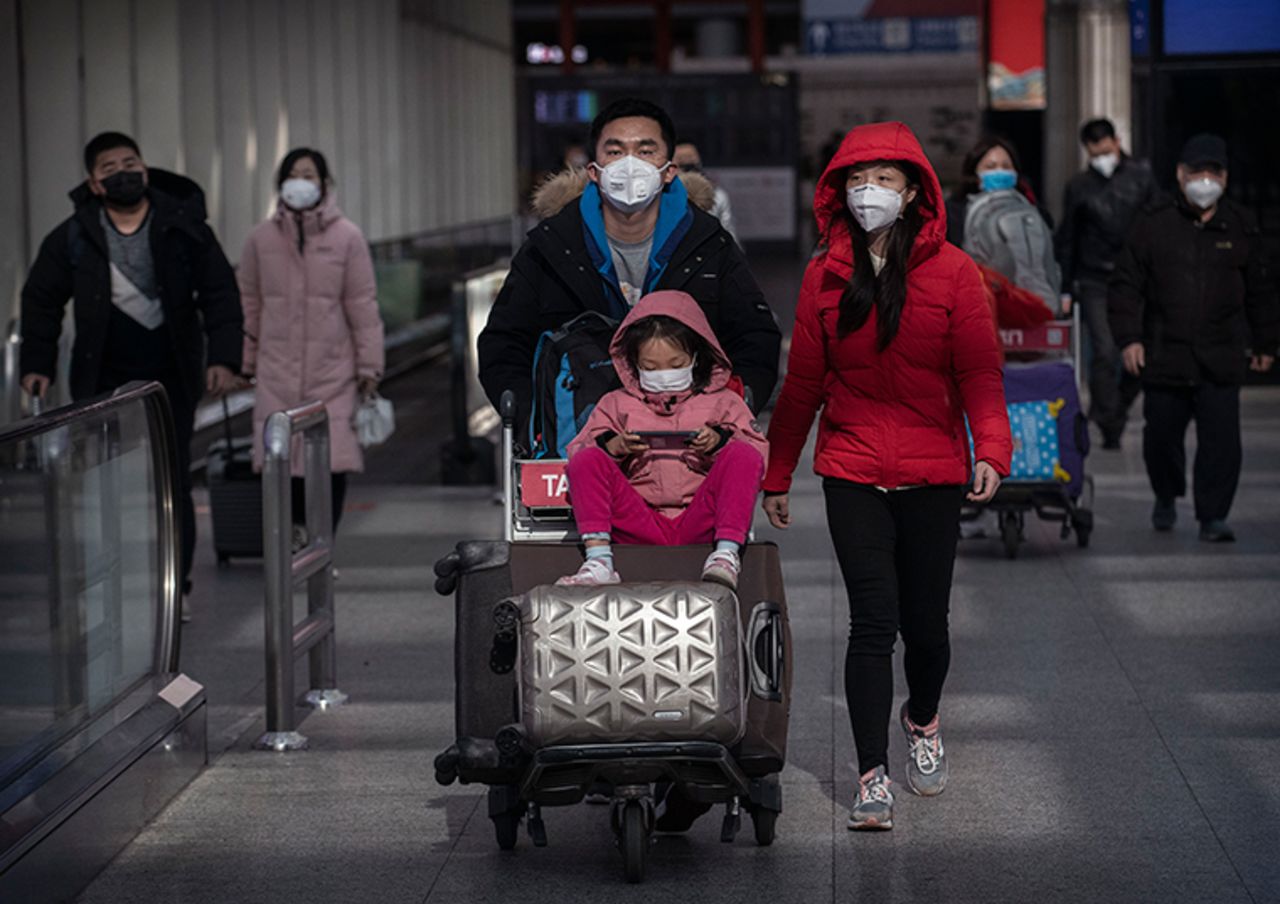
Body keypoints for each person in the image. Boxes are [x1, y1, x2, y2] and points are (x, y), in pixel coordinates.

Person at [761, 122, 1011, 830]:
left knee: (926, 628)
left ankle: (923, 719)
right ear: (838, 189)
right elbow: (804, 381)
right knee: (873, 624)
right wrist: (778, 472)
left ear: (914, 191)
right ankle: (871, 778)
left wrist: (992, 448)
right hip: (853, 469)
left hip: (933, 472)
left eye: (884, 179)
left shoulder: (955, 273)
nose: (868, 191)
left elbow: (979, 373)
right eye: (855, 178)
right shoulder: (824, 275)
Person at [20, 131, 242, 615]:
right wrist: (35, 365)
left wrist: (224, 358)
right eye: (110, 169)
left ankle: (175, 586)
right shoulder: (75, 236)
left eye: (131, 162)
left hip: (172, 376)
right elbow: (41, 300)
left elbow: (219, 291)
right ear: (94, 183)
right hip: (102, 379)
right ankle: (109, 579)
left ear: (144, 167)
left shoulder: (182, 224)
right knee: (103, 484)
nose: (123, 173)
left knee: (173, 479)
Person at [477, 97, 781, 434]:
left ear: (669, 172)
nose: (630, 164)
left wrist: (730, 410)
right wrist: (533, 419)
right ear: (594, 171)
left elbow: (755, 336)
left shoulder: (708, 245)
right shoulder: (550, 247)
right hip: (573, 440)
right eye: (615, 151)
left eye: (646, 151)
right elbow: (504, 342)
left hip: (687, 446)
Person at [1108, 133, 1277, 542]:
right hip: (1165, 352)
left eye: (1213, 172)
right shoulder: (1153, 223)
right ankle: (1166, 494)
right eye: (1197, 171)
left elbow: (1260, 289)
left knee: (1222, 444)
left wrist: (1265, 342)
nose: (1205, 180)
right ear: (1180, 175)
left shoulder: (1239, 225)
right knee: (1161, 438)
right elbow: (1126, 285)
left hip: (1221, 354)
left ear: (1225, 177)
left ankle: (1212, 516)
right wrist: (1130, 338)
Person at [557, 290, 767, 590]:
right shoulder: (616, 403)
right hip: (640, 517)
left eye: (675, 363)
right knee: (586, 459)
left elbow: (757, 457)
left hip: (701, 516)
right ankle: (599, 559)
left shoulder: (724, 403)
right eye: (651, 368)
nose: (663, 374)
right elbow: (580, 453)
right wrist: (614, 447)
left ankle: (725, 555)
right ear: (633, 363)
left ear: (696, 357)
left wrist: (718, 444)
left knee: (744, 454)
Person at [237, 148, 385, 542]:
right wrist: (245, 361)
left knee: (331, 461)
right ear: (281, 184)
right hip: (276, 369)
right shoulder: (259, 239)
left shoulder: (347, 238)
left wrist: (369, 367)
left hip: (332, 368)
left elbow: (362, 304)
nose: (301, 181)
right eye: (294, 174)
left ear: (324, 184)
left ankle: (323, 543)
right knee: (279, 459)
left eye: (310, 174)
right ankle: (292, 538)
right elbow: (249, 303)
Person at [1055, 118, 1157, 448]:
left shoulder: (1142, 177)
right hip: (1095, 276)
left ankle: (1111, 408)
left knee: (1140, 352)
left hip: (1139, 276)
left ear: (1116, 141)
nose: (1101, 153)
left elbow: (1160, 225)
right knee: (1104, 350)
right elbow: (1069, 237)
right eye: (1093, 148)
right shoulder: (1080, 186)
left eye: (1105, 146)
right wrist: (1066, 287)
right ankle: (1110, 421)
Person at [946, 135, 1060, 315]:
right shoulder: (954, 212)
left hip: (1029, 308)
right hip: (977, 309)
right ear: (974, 174)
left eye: (1006, 166)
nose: (1000, 171)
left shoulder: (1033, 210)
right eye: (990, 167)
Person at [672, 142, 738, 244]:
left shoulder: (718, 195)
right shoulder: (660, 196)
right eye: (682, 163)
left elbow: (728, 231)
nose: (688, 169)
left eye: (691, 162)